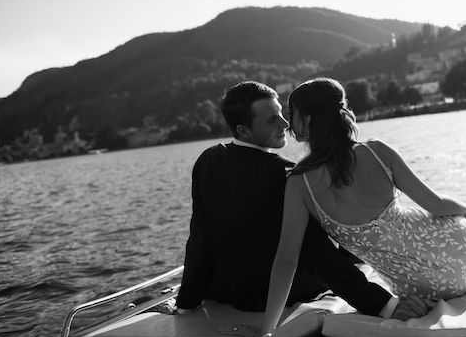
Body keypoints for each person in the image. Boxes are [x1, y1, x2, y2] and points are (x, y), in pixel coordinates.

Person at [175, 81, 431, 324]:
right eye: (272, 119)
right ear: (243, 130)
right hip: (285, 294)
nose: (285, 123)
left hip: (229, 293)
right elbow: (315, 251)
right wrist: (384, 305)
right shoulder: (286, 175)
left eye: (282, 114)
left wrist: (186, 303)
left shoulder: (207, 161)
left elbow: (200, 237)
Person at [259, 77, 466, 336]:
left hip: (431, 287)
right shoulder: (378, 151)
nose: (289, 123)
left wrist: (268, 331)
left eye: (293, 114)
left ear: (309, 119)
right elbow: (436, 204)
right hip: (462, 248)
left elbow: (287, 261)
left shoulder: (300, 185)